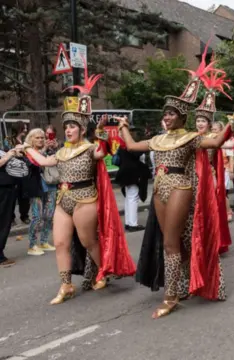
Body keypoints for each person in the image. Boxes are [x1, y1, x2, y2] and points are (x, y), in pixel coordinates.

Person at [122, 48, 231, 318]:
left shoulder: (190, 137)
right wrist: (123, 125)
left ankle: (170, 296)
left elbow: (216, 142)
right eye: (165, 113)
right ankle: (184, 281)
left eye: (171, 113)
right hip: (160, 189)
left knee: (171, 242)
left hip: (181, 187)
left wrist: (232, 123)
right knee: (177, 241)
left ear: (182, 116)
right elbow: (132, 146)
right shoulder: (158, 139)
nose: (167, 117)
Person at [18, 66, 136, 304]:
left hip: (85, 199)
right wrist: (27, 147)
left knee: (88, 241)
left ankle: (104, 269)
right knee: (60, 242)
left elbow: (103, 152)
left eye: (73, 126)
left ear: (82, 129)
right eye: (67, 126)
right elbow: (43, 161)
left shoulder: (90, 148)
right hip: (64, 200)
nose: (68, 129)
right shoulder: (61, 151)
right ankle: (66, 285)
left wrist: (101, 132)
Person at [193, 74, 234, 255]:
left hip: (209, 176)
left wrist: (232, 125)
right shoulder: (192, 137)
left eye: (203, 121)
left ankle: (213, 242)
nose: (200, 123)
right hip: (193, 177)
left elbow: (226, 143)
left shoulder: (213, 138)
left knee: (210, 210)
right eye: (198, 120)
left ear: (209, 123)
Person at [23, 129, 56, 255]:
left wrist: (54, 149)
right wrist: (43, 151)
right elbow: (32, 164)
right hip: (36, 187)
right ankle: (32, 245)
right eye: (37, 138)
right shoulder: (27, 151)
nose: (41, 140)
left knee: (49, 215)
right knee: (37, 217)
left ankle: (44, 241)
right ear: (31, 139)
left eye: (42, 137)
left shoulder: (49, 149)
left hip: (51, 184)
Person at [115, 129, 150, 232]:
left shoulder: (122, 145)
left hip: (125, 174)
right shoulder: (129, 145)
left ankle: (129, 222)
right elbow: (137, 155)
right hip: (132, 175)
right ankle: (133, 224)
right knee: (133, 198)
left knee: (129, 198)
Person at [5, 121, 30, 225]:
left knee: (24, 196)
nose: (25, 130)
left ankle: (24, 216)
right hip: (13, 172)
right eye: (23, 128)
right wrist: (16, 153)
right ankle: (11, 218)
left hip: (24, 172)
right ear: (18, 128)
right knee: (13, 196)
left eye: (25, 128)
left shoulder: (25, 141)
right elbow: (7, 152)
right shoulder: (9, 140)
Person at [0, 148, 19, 267]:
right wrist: (8, 156)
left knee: (4, 222)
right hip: (2, 189)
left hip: (7, 187)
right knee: (2, 222)